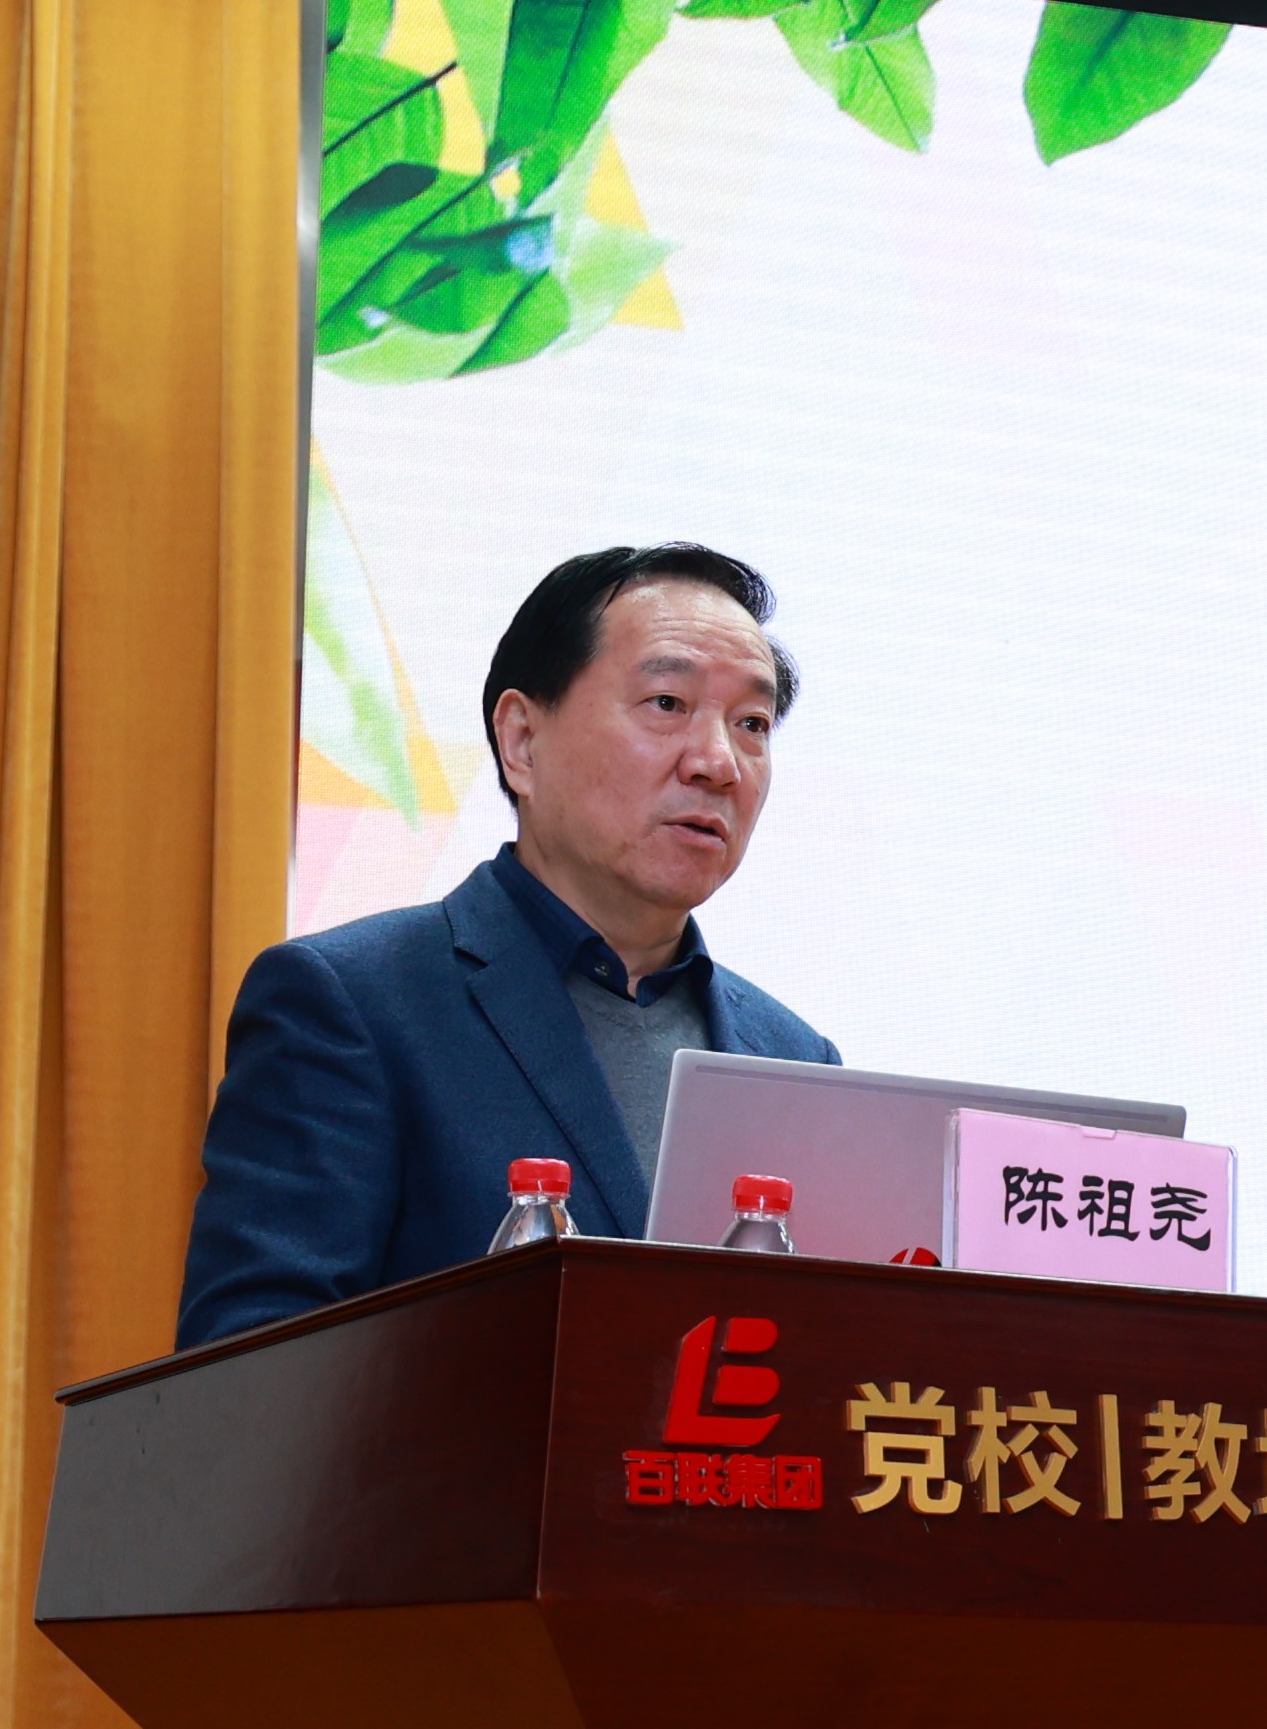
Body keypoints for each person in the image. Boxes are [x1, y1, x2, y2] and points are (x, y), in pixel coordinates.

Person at [173, 544, 840, 1349]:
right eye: (667, 703)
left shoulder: (796, 1059)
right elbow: (248, 1364)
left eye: (752, 724)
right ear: (522, 741)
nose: (717, 763)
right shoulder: (351, 1005)